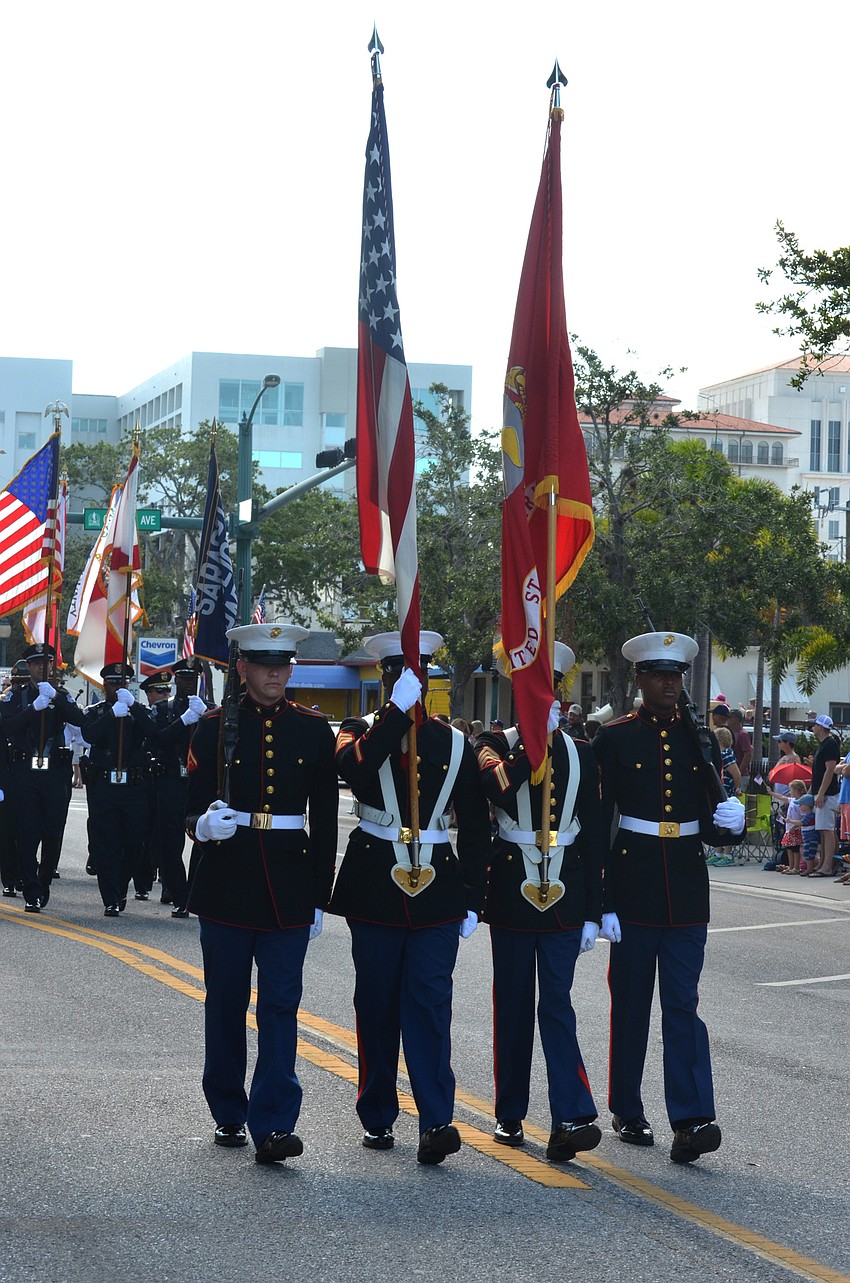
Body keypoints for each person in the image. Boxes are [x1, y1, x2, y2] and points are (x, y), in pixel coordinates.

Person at [329, 630, 490, 1165]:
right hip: (376, 883)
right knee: (376, 1005)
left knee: (429, 1002)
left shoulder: (454, 742)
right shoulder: (358, 731)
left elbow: (473, 823)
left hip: (437, 888)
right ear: (386, 677)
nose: (412, 683)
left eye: (418, 675)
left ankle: (436, 1120)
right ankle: (377, 1113)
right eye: (401, 674)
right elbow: (354, 769)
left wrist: (473, 895)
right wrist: (394, 716)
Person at [186, 623, 338, 1165]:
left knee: (280, 1006)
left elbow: (324, 819)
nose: (276, 673)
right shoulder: (214, 727)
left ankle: (274, 1123)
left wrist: (320, 895)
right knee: (226, 1002)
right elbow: (190, 801)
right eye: (264, 663)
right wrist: (201, 827)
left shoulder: (314, 730)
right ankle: (228, 1108)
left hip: (289, 886)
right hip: (226, 883)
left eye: (283, 663)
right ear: (242, 668)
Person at [592, 631, 745, 1165]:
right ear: (639, 680)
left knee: (683, 1003)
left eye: (675, 676)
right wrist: (601, 899)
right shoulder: (613, 739)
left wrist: (731, 826)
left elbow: (711, 817)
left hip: (685, 885)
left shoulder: (700, 741)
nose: (668, 684)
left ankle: (692, 1117)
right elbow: (597, 824)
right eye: (659, 675)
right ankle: (627, 1107)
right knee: (631, 1002)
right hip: (632, 885)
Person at [475, 641, 604, 1162]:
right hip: (510, 889)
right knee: (511, 1005)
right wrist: (531, 740)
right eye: (530, 687)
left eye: (548, 686)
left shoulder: (582, 752)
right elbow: (500, 792)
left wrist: (598, 908)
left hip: (566, 891)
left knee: (557, 1003)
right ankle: (510, 1113)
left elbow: (594, 834)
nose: (541, 695)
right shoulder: (491, 743)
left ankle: (570, 1114)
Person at [0, 643, 84, 911]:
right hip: (24, 772)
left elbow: (78, 719)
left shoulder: (61, 695)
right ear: (29, 666)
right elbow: (7, 727)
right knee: (26, 831)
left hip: (54, 773)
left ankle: (43, 880)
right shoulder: (15, 697)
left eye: (46, 663)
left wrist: (56, 699)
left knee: (52, 830)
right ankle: (31, 889)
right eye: (36, 663)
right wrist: (34, 708)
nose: (41, 668)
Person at [81, 663, 158, 915]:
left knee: (135, 841)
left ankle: (121, 884)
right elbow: (90, 735)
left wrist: (133, 707)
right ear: (105, 686)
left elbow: (154, 734)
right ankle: (110, 896)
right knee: (106, 844)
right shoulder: (97, 712)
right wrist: (112, 715)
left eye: (122, 683)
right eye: (113, 684)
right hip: (104, 786)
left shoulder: (140, 712)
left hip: (134, 787)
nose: (117, 688)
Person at [142, 665, 207, 917]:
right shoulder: (162, 709)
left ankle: (194, 893)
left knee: (202, 840)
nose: (189, 683)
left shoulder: (209, 708)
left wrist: (205, 717)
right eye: (184, 678)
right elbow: (156, 739)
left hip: (199, 784)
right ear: (176, 680)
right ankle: (178, 893)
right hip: (170, 781)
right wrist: (183, 721)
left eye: (193, 679)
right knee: (170, 843)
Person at [809, 714, 840, 877]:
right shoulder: (824, 745)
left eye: (814, 725)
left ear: (821, 727)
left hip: (827, 794)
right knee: (822, 830)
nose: (812, 727)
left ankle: (827, 866)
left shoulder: (829, 745)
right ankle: (823, 862)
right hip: (821, 792)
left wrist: (821, 794)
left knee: (827, 830)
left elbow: (830, 771)